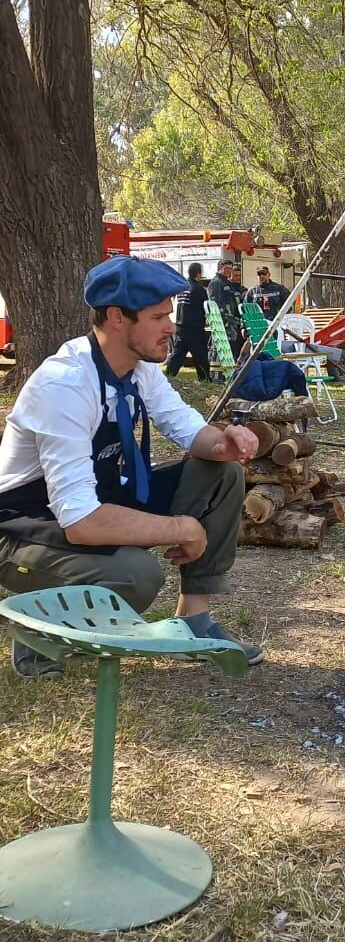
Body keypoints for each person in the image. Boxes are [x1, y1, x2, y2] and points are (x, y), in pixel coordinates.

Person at [0, 257, 263, 678]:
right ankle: (39, 631)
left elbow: (190, 431)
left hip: (90, 505)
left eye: (170, 315)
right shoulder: (65, 386)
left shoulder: (138, 370)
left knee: (221, 475)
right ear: (117, 318)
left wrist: (224, 442)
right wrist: (182, 528)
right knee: (135, 576)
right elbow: (82, 521)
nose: (172, 327)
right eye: (159, 317)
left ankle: (194, 622)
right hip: (22, 527)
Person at [166, 262, 211, 381]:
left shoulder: (182, 288)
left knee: (178, 353)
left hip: (180, 325)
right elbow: (206, 307)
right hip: (194, 327)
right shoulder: (199, 289)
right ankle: (205, 378)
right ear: (198, 274)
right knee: (200, 354)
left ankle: (169, 375)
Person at [209, 260, 241, 356]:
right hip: (222, 321)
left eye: (231, 269)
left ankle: (231, 368)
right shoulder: (216, 283)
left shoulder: (227, 282)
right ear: (220, 268)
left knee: (231, 347)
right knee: (220, 346)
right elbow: (214, 304)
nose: (229, 271)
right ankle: (216, 369)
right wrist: (222, 319)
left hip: (231, 321)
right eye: (226, 268)